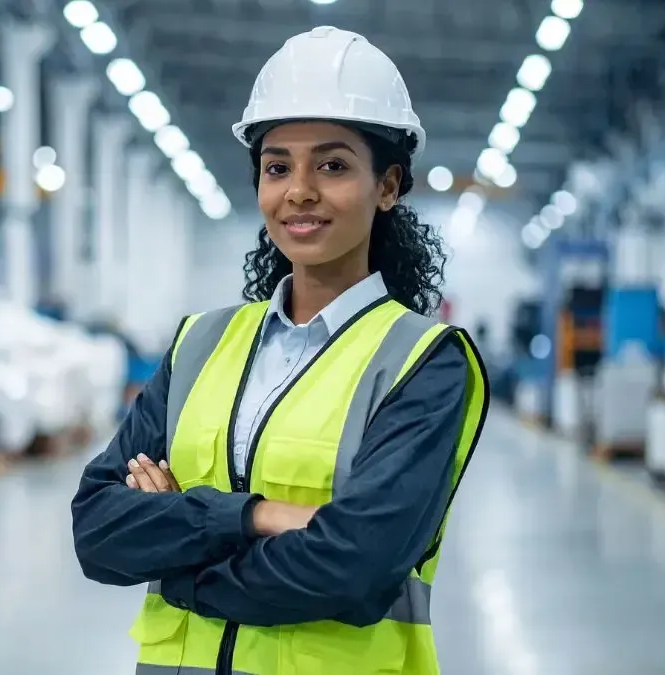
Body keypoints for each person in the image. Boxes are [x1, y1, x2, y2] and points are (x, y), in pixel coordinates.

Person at [71, 26, 490, 675]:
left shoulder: (423, 362)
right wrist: (258, 515)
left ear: (387, 186)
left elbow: (354, 566)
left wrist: (182, 567)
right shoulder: (200, 343)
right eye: (277, 166)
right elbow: (97, 530)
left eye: (333, 165)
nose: (299, 190)